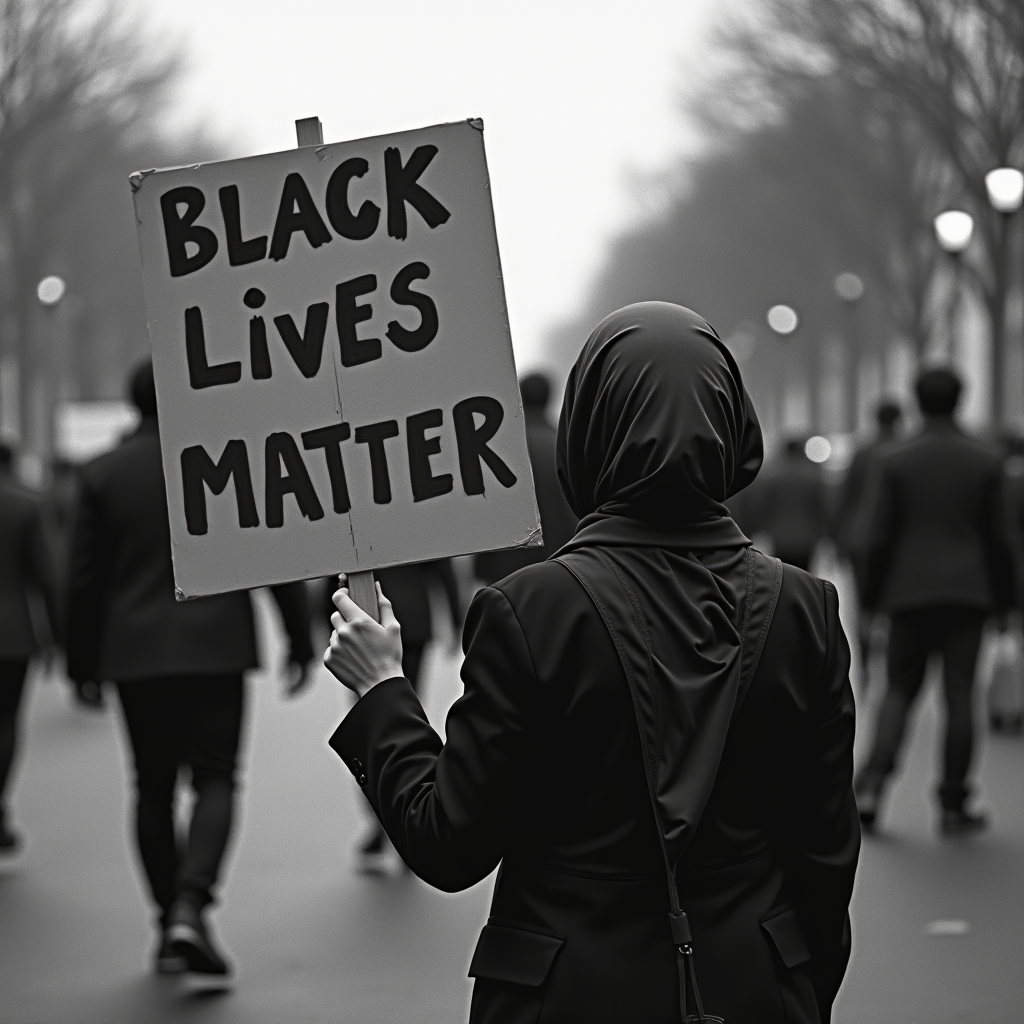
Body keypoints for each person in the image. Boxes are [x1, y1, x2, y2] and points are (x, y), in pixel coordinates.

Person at [323, 302, 859, 1023]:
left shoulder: (530, 610)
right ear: (733, 423)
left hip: (567, 994)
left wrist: (381, 689)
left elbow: (449, 842)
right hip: (755, 989)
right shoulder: (806, 609)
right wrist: (798, 991)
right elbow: (825, 855)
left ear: (592, 426)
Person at [65, 360, 315, 977]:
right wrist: (298, 636)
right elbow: (271, 550)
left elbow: (84, 580)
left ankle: (166, 920)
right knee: (216, 779)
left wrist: (81, 662)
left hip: (135, 650)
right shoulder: (230, 455)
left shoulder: (102, 474)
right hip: (217, 644)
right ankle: (191, 905)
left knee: (150, 785)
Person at [855, 367, 1015, 835]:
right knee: (961, 693)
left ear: (917, 400)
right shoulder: (986, 460)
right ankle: (952, 801)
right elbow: (1002, 541)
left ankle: (872, 785)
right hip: (969, 592)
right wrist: (1007, 604)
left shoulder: (895, 459)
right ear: (960, 399)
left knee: (900, 687)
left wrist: (869, 602)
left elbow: (875, 538)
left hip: (908, 592)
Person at [327, 559, 461, 865]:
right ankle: (407, 817)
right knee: (404, 716)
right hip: (411, 619)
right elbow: (443, 566)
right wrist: (455, 619)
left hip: (362, 622)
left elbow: (330, 576)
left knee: (369, 725)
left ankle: (384, 822)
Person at [0, 443, 58, 852]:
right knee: (4, 721)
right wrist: (57, 633)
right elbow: (47, 575)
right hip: (12, 633)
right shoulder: (25, 504)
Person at [474, 372, 577, 585]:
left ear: (518, 396)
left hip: (508, 578)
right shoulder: (566, 445)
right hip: (562, 569)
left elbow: (489, 510)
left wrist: (481, 568)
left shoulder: (500, 450)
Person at [838, 401, 902, 682]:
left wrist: (838, 538)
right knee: (895, 600)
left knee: (864, 603)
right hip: (896, 539)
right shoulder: (903, 449)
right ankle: (891, 658)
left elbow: (847, 496)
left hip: (859, 538)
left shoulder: (862, 452)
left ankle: (864, 661)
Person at [754, 437, 830, 570]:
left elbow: (762, 506)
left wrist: (759, 528)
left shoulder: (772, 475)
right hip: (807, 536)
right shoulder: (813, 474)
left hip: (779, 535)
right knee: (804, 575)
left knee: (782, 575)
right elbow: (822, 507)